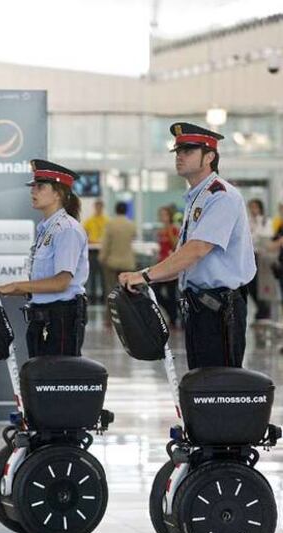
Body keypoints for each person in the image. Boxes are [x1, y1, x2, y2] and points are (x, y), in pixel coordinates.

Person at [119, 122, 256, 369]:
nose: (180, 156)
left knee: (218, 387)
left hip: (219, 309)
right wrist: (146, 277)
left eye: (188, 151)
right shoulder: (197, 197)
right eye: (178, 151)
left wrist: (145, 275)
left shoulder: (221, 195)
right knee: (201, 385)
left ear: (210, 157)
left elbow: (197, 250)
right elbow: (183, 258)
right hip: (199, 308)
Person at [0, 159, 88, 358]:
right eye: (33, 187)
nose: (33, 192)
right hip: (42, 318)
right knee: (39, 382)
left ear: (58, 193)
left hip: (61, 320)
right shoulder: (46, 229)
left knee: (56, 382)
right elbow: (42, 282)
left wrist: (15, 286)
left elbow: (61, 283)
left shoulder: (67, 230)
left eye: (40, 187)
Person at [99, 201, 136, 324]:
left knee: (110, 291)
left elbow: (105, 244)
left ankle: (109, 319)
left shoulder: (110, 224)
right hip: (127, 263)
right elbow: (133, 239)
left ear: (116, 210)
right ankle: (128, 318)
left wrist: (102, 258)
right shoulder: (131, 224)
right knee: (127, 291)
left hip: (112, 262)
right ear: (126, 210)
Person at [153, 206, 180, 328]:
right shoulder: (160, 231)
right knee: (155, 291)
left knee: (171, 292)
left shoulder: (173, 229)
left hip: (171, 266)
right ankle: (172, 312)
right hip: (161, 263)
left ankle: (174, 317)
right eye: (161, 215)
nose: (163, 217)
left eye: (165, 215)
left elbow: (175, 245)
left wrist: (169, 230)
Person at [247, 198, 273, 321]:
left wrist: (255, 236)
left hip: (262, 256)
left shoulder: (266, 221)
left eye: (255, 207)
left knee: (263, 284)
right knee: (250, 284)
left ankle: (264, 311)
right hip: (251, 255)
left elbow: (265, 237)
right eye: (251, 207)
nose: (253, 210)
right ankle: (260, 308)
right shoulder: (248, 221)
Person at [83, 199, 109, 303]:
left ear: (102, 208)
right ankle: (92, 296)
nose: (98, 209)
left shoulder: (107, 221)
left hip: (103, 251)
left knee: (103, 275)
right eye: (97, 207)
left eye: (100, 207)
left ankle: (103, 297)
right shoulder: (90, 221)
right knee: (92, 274)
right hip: (92, 251)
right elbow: (84, 234)